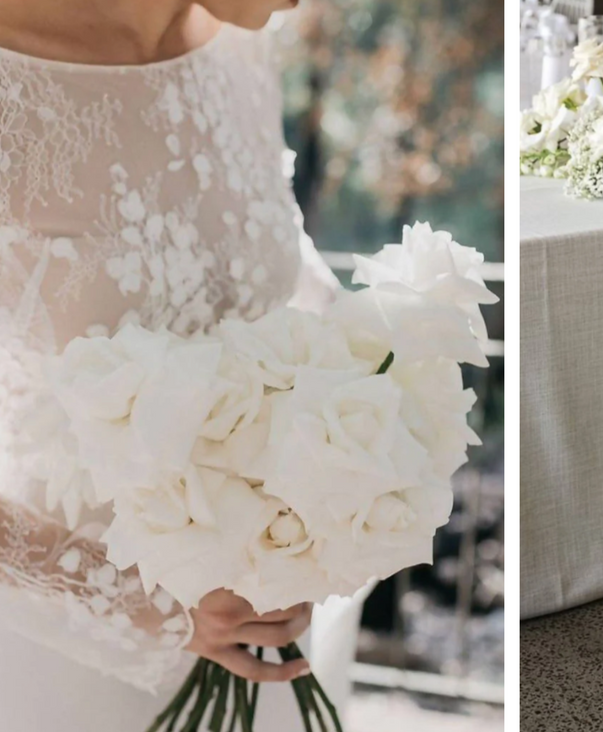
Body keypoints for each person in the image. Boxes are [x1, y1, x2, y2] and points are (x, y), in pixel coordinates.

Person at [0, 0, 345, 728]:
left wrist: (378, 390)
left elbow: (268, 272)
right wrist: (145, 607)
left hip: (270, 618)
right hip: (63, 662)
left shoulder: (241, 45)